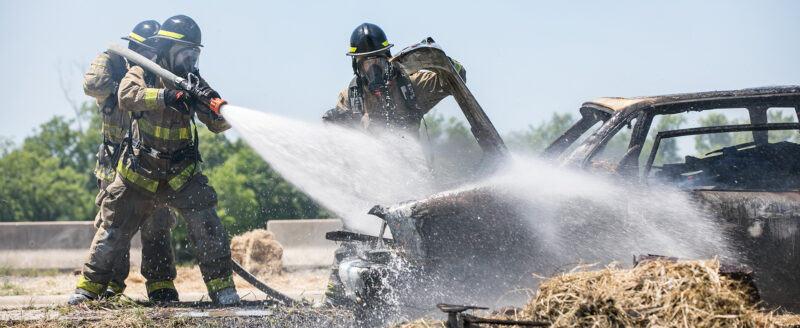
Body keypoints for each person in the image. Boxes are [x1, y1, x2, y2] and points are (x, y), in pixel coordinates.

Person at [69, 14, 239, 306]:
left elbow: (217, 125)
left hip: (181, 175)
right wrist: (167, 97)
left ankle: (223, 290)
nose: (189, 59)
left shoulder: (193, 80)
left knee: (207, 223)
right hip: (139, 171)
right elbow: (126, 96)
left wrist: (214, 105)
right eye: (184, 52)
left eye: (194, 53)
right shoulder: (143, 72)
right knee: (113, 229)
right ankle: (89, 289)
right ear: (168, 50)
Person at [81, 20, 180, 303]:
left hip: (149, 164)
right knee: (114, 224)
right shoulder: (113, 68)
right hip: (114, 165)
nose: (151, 57)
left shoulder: (158, 77)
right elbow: (93, 84)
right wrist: (114, 64)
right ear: (134, 48)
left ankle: (161, 284)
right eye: (147, 51)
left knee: (157, 222)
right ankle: (110, 285)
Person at [322, 22, 466, 135]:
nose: (374, 69)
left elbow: (456, 79)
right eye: (368, 63)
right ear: (358, 66)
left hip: (412, 164)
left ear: (388, 59)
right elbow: (338, 141)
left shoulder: (410, 85)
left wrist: (441, 62)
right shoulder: (351, 97)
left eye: (378, 61)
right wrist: (334, 122)